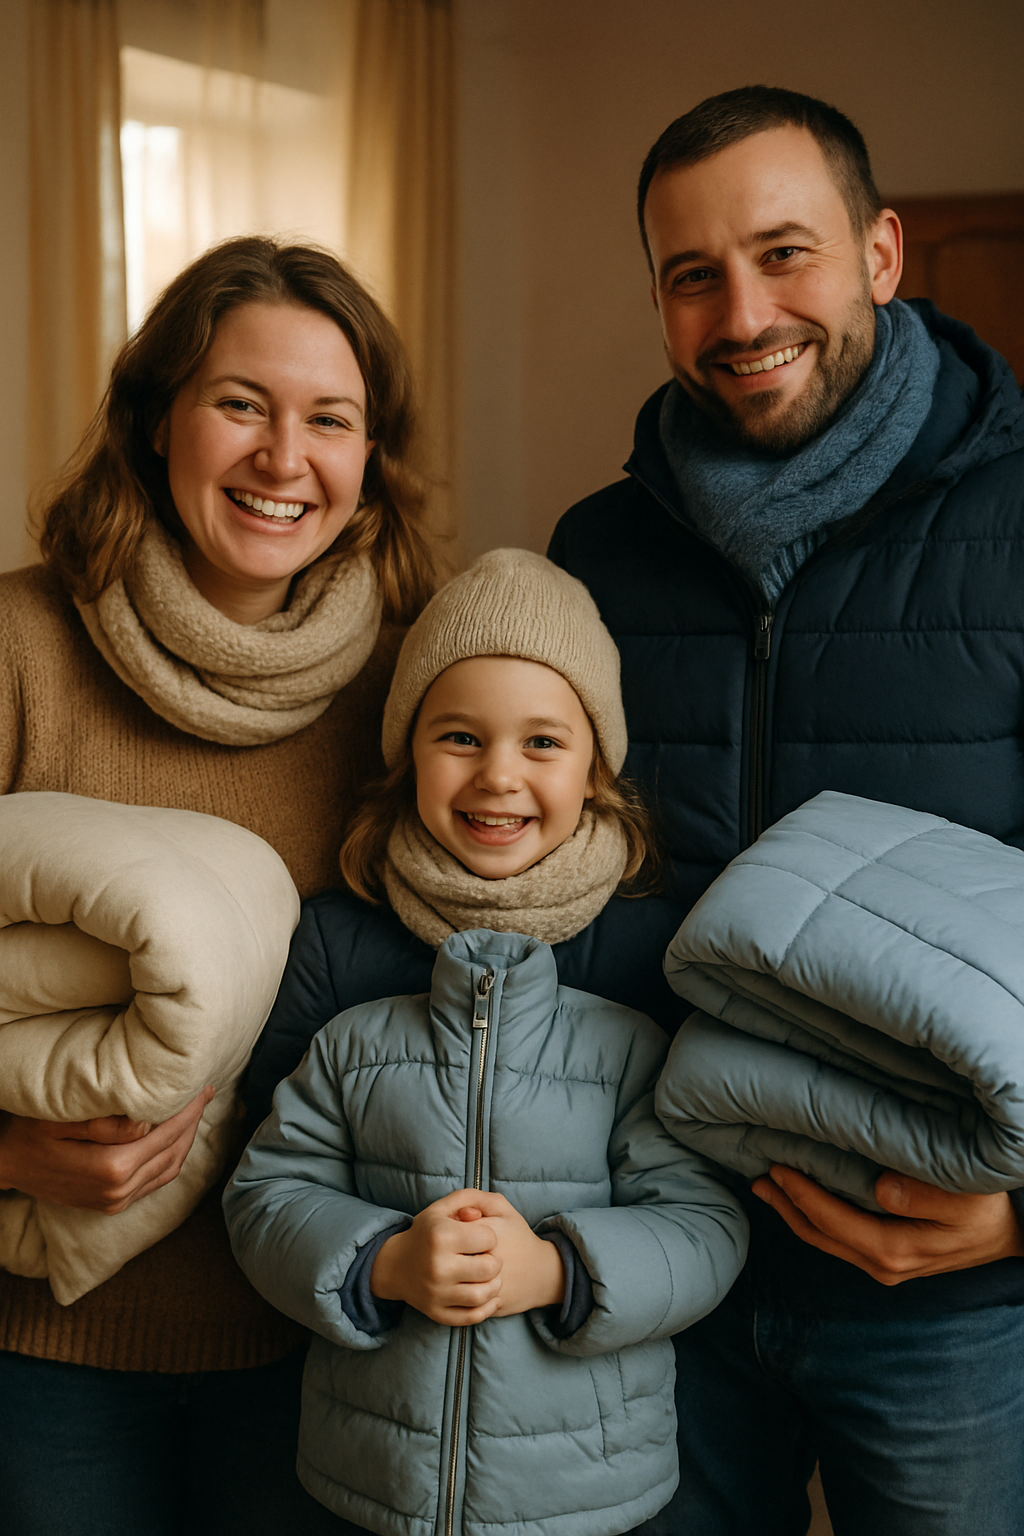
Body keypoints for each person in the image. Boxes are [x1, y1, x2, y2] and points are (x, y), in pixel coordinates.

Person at [548, 86, 1024, 1535]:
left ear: (881, 252)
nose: (743, 314)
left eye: (783, 254)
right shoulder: (596, 553)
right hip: (659, 1262)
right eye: (694, 274)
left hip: (947, 1291)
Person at [0, 235, 435, 1536]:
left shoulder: (417, 695)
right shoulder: (20, 649)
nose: (283, 458)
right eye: (241, 403)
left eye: (329, 420)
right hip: (44, 1353)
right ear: (156, 420)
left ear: (370, 460)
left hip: (324, 1336)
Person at [224, 548, 748, 1536]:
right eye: (459, 736)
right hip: (371, 1478)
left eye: (542, 742)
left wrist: (557, 1271)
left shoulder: (649, 955)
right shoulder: (338, 944)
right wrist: (383, 1263)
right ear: (408, 754)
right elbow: (268, 1190)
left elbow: (704, 1221)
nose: (498, 775)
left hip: (590, 1488)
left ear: (596, 770)